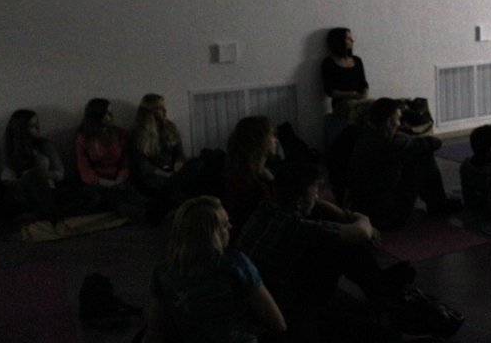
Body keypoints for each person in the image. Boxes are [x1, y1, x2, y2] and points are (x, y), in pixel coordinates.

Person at [236, 162, 415, 342]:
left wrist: (343, 214)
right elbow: (362, 232)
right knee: (343, 245)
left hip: (261, 295)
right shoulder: (298, 227)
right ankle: (381, 293)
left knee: (333, 228)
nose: (317, 197)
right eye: (314, 194)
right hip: (283, 308)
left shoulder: (266, 208)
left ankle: (379, 287)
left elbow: (320, 206)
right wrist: (362, 217)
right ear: (299, 201)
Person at [143, 196, 286, 343]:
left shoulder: (163, 272)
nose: (230, 226)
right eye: (224, 225)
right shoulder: (236, 263)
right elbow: (276, 322)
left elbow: (155, 331)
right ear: (211, 234)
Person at [347, 98, 460, 229]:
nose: (399, 123)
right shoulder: (390, 144)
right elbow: (434, 143)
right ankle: (438, 204)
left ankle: (437, 203)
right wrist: (408, 137)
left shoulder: (364, 138)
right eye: (398, 119)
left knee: (414, 154)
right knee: (422, 156)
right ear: (389, 122)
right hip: (387, 215)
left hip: (362, 209)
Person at [1, 109, 97, 221]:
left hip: (50, 191)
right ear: (21, 129)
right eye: (32, 126)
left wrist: (43, 174)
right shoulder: (10, 148)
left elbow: (60, 174)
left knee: (93, 196)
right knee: (33, 175)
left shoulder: (45, 145)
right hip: (26, 195)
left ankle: (42, 215)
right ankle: (52, 216)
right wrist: (28, 176)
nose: (38, 128)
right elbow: (6, 178)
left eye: (38, 124)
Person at [129, 94, 201, 222]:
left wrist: (178, 163)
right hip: (154, 175)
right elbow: (143, 165)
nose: (164, 111)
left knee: (197, 163)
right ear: (149, 112)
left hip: (173, 170)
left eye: (164, 107)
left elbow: (179, 153)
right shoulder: (138, 133)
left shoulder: (170, 127)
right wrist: (166, 174)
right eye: (159, 108)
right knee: (170, 185)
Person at [75, 98, 146, 224]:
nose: (112, 116)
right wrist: (107, 183)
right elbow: (84, 169)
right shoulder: (84, 137)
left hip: (119, 178)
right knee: (117, 201)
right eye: (108, 113)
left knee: (133, 195)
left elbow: (125, 161)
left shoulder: (119, 133)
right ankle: (141, 217)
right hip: (98, 182)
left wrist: (120, 178)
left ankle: (151, 211)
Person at [222, 116, 279, 242]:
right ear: (260, 140)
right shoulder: (255, 185)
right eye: (272, 135)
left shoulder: (240, 173)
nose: (276, 140)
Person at [321, 28, 369, 110]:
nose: (352, 40)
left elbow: (363, 83)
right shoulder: (328, 63)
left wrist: (364, 96)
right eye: (348, 38)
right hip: (341, 104)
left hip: (359, 100)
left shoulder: (357, 60)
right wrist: (352, 94)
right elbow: (330, 91)